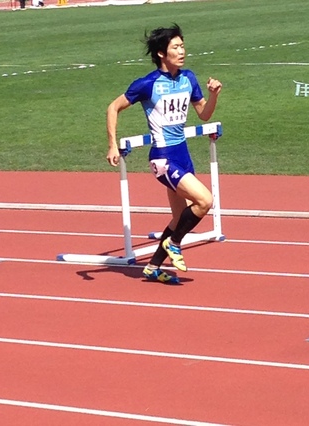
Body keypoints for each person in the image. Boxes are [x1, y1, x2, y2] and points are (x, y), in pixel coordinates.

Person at [106, 24, 222, 284]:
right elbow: (113, 107)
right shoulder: (148, 84)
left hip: (183, 154)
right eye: (175, 47)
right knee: (205, 201)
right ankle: (175, 243)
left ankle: (154, 266)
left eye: (182, 46)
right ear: (161, 53)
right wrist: (113, 144)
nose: (182, 51)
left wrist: (214, 96)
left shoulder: (188, 78)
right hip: (162, 157)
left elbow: (203, 114)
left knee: (180, 217)